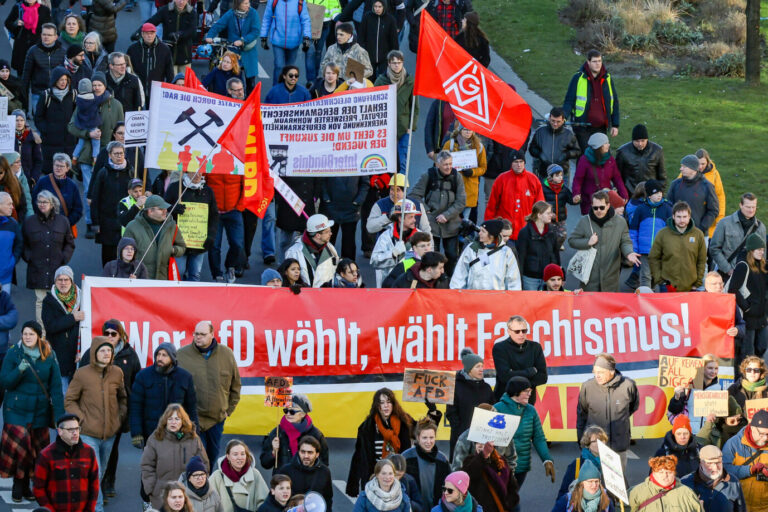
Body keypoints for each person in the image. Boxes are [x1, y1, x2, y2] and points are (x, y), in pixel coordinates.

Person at [76, 319, 142, 499]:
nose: (110, 337)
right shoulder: (91, 352)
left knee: (111, 450)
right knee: (94, 450)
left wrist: (125, 412)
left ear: (121, 335)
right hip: (93, 413)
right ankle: (95, 488)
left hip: (116, 414)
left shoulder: (130, 355)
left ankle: (108, 482)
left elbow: (136, 385)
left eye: (114, 334)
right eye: (107, 333)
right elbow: (80, 380)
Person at [0, 321, 64, 502]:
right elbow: (5, 382)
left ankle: (30, 484)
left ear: (39, 336)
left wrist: (60, 419)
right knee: (21, 449)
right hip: (16, 410)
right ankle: (18, 483)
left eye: (31, 334)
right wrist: (19, 370)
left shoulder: (49, 355)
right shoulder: (14, 353)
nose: (27, 337)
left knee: (37, 451)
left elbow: (56, 388)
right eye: (25, 334)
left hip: (40, 411)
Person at [64, 336, 127, 512]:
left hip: (110, 434)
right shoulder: (82, 374)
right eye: (103, 350)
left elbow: (123, 397)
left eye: (109, 350)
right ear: (95, 353)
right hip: (87, 433)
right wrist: (81, 419)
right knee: (95, 473)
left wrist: (119, 417)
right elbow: (69, 400)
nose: (107, 353)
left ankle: (83, 502)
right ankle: (96, 508)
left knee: (99, 473)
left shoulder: (117, 372)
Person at [67, 72, 124, 238]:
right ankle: (90, 222)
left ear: (105, 86)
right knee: (88, 191)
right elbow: (71, 126)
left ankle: (111, 222)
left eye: (100, 84)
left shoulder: (116, 105)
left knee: (110, 190)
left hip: (109, 154)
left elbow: (121, 129)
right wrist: (87, 134)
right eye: (94, 85)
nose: (96, 87)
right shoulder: (83, 102)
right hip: (87, 156)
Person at [178, 321, 241, 468]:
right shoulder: (181, 355)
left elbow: (235, 385)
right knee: (198, 458)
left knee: (212, 456)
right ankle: (197, 486)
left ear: (212, 335)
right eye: (196, 334)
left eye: (202, 334)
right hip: (193, 419)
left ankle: (208, 486)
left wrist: (228, 410)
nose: (198, 337)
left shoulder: (226, 354)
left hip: (216, 419)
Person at [347, 388, 423, 497]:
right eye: (382, 403)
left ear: (393, 404)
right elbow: (359, 456)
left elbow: (423, 432)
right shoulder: (367, 427)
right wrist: (353, 485)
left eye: (388, 402)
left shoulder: (405, 421)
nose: (386, 406)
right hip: (375, 479)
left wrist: (433, 411)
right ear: (377, 406)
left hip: (399, 478)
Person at [568, 190, 641, 291]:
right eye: (595, 208)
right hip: (589, 278)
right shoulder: (584, 221)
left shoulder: (620, 222)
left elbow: (625, 241)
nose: (598, 210)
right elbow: (572, 240)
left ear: (608, 205)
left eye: (602, 207)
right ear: (592, 205)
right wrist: (587, 242)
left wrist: (629, 253)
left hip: (610, 278)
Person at [130, 343, 199, 449]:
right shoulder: (143, 376)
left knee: (175, 464)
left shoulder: (185, 377)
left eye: (164, 355)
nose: (160, 358)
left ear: (172, 358)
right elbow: (135, 407)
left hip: (177, 435)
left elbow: (191, 409)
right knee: (151, 464)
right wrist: (136, 434)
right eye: (158, 354)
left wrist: (193, 433)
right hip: (151, 434)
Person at [576, 353, 639, 470]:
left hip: (618, 447)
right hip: (594, 449)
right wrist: (582, 441)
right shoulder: (587, 387)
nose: (597, 376)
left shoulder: (628, 386)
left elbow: (632, 407)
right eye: (595, 372)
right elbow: (582, 414)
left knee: (617, 487)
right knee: (594, 484)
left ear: (611, 371)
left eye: (601, 372)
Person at [141, 404, 209, 510]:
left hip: (188, 494)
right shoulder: (155, 439)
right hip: (161, 494)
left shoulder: (193, 439)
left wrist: (199, 488)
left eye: (177, 419)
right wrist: (151, 489)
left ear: (183, 421)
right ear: (165, 421)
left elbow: (204, 464)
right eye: (170, 419)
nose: (173, 422)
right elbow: (147, 465)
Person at [410, 151, 466, 275]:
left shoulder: (457, 177)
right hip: (432, 224)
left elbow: (461, 201)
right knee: (432, 256)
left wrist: (447, 215)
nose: (449, 167)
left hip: (451, 223)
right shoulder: (428, 176)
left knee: (452, 255)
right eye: (445, 164)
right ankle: (433, 279)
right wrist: (426, 210)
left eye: (451, 164)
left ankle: (450, 279)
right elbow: (414, 195)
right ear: (437, 164)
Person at [494, 377, 554, 488]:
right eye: (526, 391)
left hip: (522, 466)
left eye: (530, 391)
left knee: (512, 497)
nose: (529, 394)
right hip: (501, 466)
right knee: (507, 500)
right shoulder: (497, 409)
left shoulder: (531, 410)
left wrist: (547, 459)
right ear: (516, 392)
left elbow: (538, 437)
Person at [33, 413, 99, 511]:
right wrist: (50, 510)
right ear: (60, 431)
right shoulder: (46, 455)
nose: (75, 433)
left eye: (77, 429)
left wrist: (90, 509)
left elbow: (94, 484)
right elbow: (38, 489)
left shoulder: (89, 452)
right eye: (70, 430)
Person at [165, 171, 219, 281]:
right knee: (178, 274)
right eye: (194, 171)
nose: (197, 175)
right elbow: (163, 209)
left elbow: (214, 216)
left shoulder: (207, 191)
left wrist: (211, 236)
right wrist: (173, 209)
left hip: (198, 243)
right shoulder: (176, 188)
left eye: (200, 172)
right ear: (187, 172)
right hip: (179, 242)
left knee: (195, 275)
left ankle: (191, 298)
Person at [562, 49, 619, 152]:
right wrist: (563, 117)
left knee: (602, 156)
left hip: (601, 127)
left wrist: (615, 124)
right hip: (582, 126)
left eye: (599, 61)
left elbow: (614, 102)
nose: (598, 64)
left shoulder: (607, 78)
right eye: (594, 61)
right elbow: (569, 101)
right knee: (587, 155)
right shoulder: (578, 78)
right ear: (588, 62)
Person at [374, 51, 419, 174]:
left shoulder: (409, 81)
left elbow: (414, 106)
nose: (397, 66)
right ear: (389, 64)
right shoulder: (381, 81)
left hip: (404, 128)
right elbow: (373, 104)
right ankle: (387, 189)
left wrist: (411, 126)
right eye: (394, 63)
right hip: (386, 128)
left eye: (399, 63)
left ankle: (401, 189)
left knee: (403, 160)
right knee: (386, 160)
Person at [485, 150, 544, 243]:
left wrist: (540, 228)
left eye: (521, 162)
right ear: (511, 163)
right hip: (504, 232)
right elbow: (492, 205)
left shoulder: (533, 180)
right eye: (516, 162)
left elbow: (540, 207)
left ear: (524, 163)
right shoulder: (502, 179)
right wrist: (488, 228)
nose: (519, 165)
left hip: (526, 232)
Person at [123, 195, 187, 280]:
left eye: (165, 208)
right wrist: (127, 274)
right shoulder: (132, 226)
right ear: (150, 211)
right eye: (161, 209)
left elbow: (182, 246)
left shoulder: (172, 226)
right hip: (140, 280)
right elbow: (122, 252)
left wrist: (173, 250)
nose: (165, 211)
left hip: (164, 280)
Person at [90, 141, 134, 265]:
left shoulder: (131, 172)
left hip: (125, 221)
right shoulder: (103, 173)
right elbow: (96, 199)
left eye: (121, 153)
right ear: (110, 155)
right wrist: (95, 223)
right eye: (116, 154)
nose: (119, 156)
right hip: (107, 221)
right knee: (108, 256)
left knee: (125, 255)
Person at [41, 265, 84, 391]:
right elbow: (50, 326)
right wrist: (72, 318)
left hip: (77, 355)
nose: (63, 283)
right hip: (59, 356)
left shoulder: (83, 298)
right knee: (62, 393)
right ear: (55, 282)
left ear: (72, 281)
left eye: (66, 279)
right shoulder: (49, 301)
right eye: (60, 280)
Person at [649, 200, 707, 292]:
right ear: (673, 216)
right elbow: (653, 258)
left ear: (689, 217)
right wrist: (659, 280)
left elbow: (702, 260)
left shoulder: (698, 234)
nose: (682, 220)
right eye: (679, 217)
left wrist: (697, 283)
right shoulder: (662, 234)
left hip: (691, 288)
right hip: (667, 287)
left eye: (685, 217)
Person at [446, 349, 494, 459]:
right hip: (461, 440)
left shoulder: (486, 388)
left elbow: (493, 411)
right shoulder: (455, 387)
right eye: (477, 366)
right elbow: (451, 413)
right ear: (469, 369)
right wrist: (461, 432)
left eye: (482, 366)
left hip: (482, 441)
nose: (481, 369)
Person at [727, 234, 768, 359]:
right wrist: (747, 308)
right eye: (759, 249)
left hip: (762, 316)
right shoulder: (742, 266)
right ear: (751, 250)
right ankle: (744, 377)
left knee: (762, 347)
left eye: (763, 250)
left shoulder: (763, 265)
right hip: (749, 317)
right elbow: (732, 289)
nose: (762, 252)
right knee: (748, 353)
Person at [450, 218, 521, 290]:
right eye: (480, 230)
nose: (479, 233)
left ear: (492, 235)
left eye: (483, 231)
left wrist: (513, 297)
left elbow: (513, 279)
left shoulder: (506, 252)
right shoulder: (472, 248)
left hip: (497, 298)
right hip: (473, 296)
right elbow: (460, 272)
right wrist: (456, 292)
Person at [205, 0, 261, 90]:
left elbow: (256, 31)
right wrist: (210, 36)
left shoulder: (253, 13)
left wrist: (243, 40)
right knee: (232, 76)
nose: (249, 5)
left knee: (250, 80)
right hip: (234, 50)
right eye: (246, 3)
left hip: (248, 50)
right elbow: (219, 25)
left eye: (248, 3)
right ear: (238, 4)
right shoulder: (231, 13)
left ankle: (249, 99)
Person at [628, 180, 673, 289]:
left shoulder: (667, 209)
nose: (659, 195)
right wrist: (634, 248)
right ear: (649, 195)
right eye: (655, 193)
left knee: (659, 277)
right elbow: (633, 231)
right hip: (644, 250)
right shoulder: (640, 209)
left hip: (660, 250)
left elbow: (671, 231)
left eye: (660, 192)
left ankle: (657, 298)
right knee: (645, 276)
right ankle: (646, 298)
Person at [721, 409, 768, 512]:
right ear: (752, 428)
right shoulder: (733, 444)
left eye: (767, 434)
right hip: (739, 505)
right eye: (761, 434)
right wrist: (749, 470)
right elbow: (723, 470)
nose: (765, 438)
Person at [492, 315, 547, 403]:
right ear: (509, 331)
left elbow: (542, 377)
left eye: (524, 331)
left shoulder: (535, 347)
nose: (521, 334)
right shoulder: (500, 348)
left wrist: (513, 374)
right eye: (517, 331)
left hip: (527, 402)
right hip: (505, 401)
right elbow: (504, 377)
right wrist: (530, 372)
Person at [451, 403, 517, 475]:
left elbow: (511, 459)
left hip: (497, 481)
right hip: (472, 481)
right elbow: (457, 468)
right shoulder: (464, 438)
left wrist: (507, 479)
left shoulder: (504, 436)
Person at [710, 192, 765, 279]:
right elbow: (714, 248)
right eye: (748, 207)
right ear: (741, 205)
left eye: (754, 207)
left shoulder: (761, 227)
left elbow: (763, 254)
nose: (751, 210)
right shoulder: (724, 223)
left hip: (751, 276)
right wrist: (728, 269)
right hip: (727, 275)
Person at [33, 69, 76, 175]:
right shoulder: (46, 95)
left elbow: (77, 115)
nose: (63, 82)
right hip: (50, 143)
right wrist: (47, 130)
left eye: (65, 80)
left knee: (67, 173)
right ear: (55, 80)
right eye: (60, 80)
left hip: (68, 142)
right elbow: (38, 117)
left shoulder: (73, 94)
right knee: (51, 173)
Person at [667, 354, 724, 435]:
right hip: (690, 433)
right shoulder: (689, 386)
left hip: (709, 435)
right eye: (710, 368)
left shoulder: (719, 388)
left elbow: (721, 416)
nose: (713, 371)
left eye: (716, 368)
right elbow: (674, 410)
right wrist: (676, 396)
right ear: (702, 368)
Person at [572, 132, 627, 214]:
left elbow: (617, 178)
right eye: (605, 143)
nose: (608, 145)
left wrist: (624, 194)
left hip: (606, 200)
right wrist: (576, 193)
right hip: (589, 202)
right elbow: (578, 179)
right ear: (598, 147)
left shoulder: (610, 159)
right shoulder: (584, 160)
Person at [680, 444, 746, 512]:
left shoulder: (733, 481)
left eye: (718, 463)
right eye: (709, 463)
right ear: (700, 463)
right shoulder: (685, 484)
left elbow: (741, 510)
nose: (715, 468)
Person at [371, 199, 422, 286]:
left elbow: (429, 261)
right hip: (390, 286)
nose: (414, 220)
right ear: (400, 218)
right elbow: (374, 261)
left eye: (414, 216)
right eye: (411, 217)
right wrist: (392, 254)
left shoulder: (421, 236)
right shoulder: (386, 237)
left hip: (413, 286)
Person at [667, 154, 719, 239]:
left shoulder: (707, 186)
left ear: (693, 169)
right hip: (675, 233)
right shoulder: (675, 184)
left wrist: (701, 228)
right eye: (681, 166)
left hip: (699, 235)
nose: (681, 169)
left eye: (684, 166)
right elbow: (668, 206)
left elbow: (714, 210)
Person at [442, 124, 486, 223]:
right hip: (452, 185)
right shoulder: (450, 144)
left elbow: (483, 167)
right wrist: (450, 170)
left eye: (470, 130)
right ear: (460, 130)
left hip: (470, 188)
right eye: (465, 129)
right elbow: (441, 162)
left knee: (465, 221)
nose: (468, 132)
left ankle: (462, 236)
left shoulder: (479, 146)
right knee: (451, 218)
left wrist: (472, 172)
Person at [403, 418, 451, 509]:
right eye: (424, 438)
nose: (428, 442)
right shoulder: (406, 458)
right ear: (418, 437)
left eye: (431, 437)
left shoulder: (442, 460)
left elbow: (449, 487)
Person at [206, 172, 245, 283]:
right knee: (213, 245)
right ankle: (217, 273)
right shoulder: (211, 162)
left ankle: (231, 266)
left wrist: (240, 206)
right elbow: (203, 183)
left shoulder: (238, 163)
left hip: (234, 211)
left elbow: (247, 186)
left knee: (237, 244)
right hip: (214, 212)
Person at [210, 439, 269, 512]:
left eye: (242, 454)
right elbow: (209, 503)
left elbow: (265, 502)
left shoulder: (255, 474)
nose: (239, 457)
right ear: (228, 456)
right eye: (235, 454)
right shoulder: (217, 476)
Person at [260, 0, 311, 82]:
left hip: (294, 41)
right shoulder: (273, 1)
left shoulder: (300, 2)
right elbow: (267, 18)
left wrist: (307, 37)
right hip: (277, 40)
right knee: (279, 66)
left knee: (290, 69)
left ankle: (287, 91)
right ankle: (276, 90)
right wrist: (263, 36)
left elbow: (305, 20)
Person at [628, 455, 702, 511]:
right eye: (661, 472)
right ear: (653, 473)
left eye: (669, 472)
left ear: (674, 473)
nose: (665, 476)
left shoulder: (687, 493)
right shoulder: (635, 492)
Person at [461, 442, 519, 512]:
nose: (480, 446)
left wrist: (508, 504)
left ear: (492, 446)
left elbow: (512, 487)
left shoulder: (502, 461)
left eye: (484, 443)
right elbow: (467, 476)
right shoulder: (469, 461)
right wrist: (483, 456)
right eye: (477, 443)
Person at [22, 23, 66, 115]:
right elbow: (26, 75)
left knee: (55, 123)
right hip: (38, 93)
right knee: (39, 124)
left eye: (49, 35)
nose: (46, 37)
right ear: (41, 35)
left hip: (57, 93)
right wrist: (24, 100)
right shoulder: (33, 51)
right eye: (44, 34)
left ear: (55, 37)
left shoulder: (63, 52)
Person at [285, 213, 339, 287]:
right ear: (318, 235)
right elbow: (287, 280)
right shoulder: (294, 252)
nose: (331, 233)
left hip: (326, 296)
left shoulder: (330, 248)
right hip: (303, 297)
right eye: (327, 232)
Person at [277, 436, 333, 508]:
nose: (306, 456)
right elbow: (277, 499)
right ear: (298, 452)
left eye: (310, 452)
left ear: (317, 454)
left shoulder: (324, 472)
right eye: (303, 452)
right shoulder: (286, 470)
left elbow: (327, 499)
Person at [556, 425, 608, 501]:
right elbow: (563, 492)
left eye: (602, 440)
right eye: (595, 441)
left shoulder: (610, 464)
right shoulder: (577, 465)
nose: (599, 443)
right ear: (587, 444)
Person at [31, 153, 83, 229]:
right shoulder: (42, 182)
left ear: (68, 168)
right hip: (44, 225)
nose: (58, 168)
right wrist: (42, 220)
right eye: (56, 165)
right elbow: (34, 202)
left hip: (63, 228)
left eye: (61, 166)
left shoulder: (72, 185)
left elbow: (77, 209)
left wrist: (67, 223)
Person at [126, 24, 174, 105]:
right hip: (137, 88)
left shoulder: (164, 49)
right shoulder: (132, 49)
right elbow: (128, 69)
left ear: (155, 34)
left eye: (152, 33)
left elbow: (169, 71)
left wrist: (170, 89)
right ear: (142, 34)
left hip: (156, 89)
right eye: (147, 33)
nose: (149, 36)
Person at [515, 201, 559, 290]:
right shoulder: (525, 233)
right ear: (539, 215)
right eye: (548, 213)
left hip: (548, 278)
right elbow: (521, 257)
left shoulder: (552, 232)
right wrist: (518, 278)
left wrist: (559, 275)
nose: (551, 215)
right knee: (531, 303)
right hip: (529, 278)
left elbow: (555, 254)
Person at [145, 0, 197, 74]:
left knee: (185, 83)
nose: (181, 2)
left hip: (185, 54)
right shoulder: (165, 10)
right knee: (172, 83)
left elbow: (193, 31)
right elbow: (152, 21)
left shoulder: (192, 13)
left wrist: (180, 34)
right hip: (169, 54)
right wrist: (140, 31)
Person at [5, 0, 53, 78]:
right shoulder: (18, 8)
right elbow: (7, 22)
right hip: (21, 48)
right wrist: (16, 24)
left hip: (38, 47)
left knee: (37, 78)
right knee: (21, 79)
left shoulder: (44, 9)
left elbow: (49, 26)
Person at [528, 107, 580, 178]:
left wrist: (566, 154)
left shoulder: (568, 134)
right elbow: (532, 148)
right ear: (549, 118)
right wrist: (540, 154)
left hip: (562, 174)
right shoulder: (540, 132)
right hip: (543, 173)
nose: (555, 124)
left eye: (558, 121)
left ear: (563, 120)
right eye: (553, 121)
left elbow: (577, 151)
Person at [615, 124, 666, 192]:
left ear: (647, 139)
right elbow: (617, 176)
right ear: (632, 140)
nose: (640, 144)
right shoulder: (623, 152)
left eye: (642, 141)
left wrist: (659, 193)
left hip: (651, 194)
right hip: (630, 194)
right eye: (637, 141)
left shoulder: (657, 151)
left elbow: (662, 176)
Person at [359, 0, 398, 78]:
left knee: (382, 81)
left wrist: (394, 56)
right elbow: (361, 36)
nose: (377, 9)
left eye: (379, 7)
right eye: (375, 6)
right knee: (368, 81)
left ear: (384, 7)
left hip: (384, 58)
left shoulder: (390, 20)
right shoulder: (367, 17)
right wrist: (362, 53)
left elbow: (394, 40)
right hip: (368, 57)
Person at [695, 148, 726, 238]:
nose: (700, 166)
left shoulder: (715, 174)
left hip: (709, 217)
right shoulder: (688, 171)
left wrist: (720, 217)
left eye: (703, 164)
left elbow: (720, 196)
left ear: (708, 162)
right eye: (698, 164)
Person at [728, 356, 768, 424]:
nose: (752, 372)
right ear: (744, 371)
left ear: (761, 372)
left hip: (760, 428)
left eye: (756, 370)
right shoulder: (734, 388)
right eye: (749, 370)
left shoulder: (766, 390)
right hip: (738, 428)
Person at [12, 112, 43, 186]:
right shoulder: (6, 137)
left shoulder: (32, 137)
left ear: (25, 121)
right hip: (10, 179)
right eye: (16, 120)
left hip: (27, 179)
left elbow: (38, 161)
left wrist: (34, 178)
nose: (19, 123)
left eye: (22, 120)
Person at [0, 192, 21, 294]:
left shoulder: (13, 224)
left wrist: (12, 261)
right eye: (9, 204)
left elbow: (19, 245)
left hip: (5, 277)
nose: (12, 207)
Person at [0, 156, 27, 220]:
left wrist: (17, 222)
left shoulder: (14, 183)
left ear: (5, 171)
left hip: (13, 222)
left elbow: (22, 206)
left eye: (0, 172)